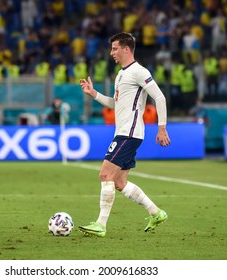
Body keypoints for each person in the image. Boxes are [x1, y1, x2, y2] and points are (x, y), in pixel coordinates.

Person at [78, 32, 171, 237]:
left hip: (129, 133)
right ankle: (156, 213)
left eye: (114, 48)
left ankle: (101, 225)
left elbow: (160, 97)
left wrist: (162, 127)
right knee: (119, 183)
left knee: (104, 174)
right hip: (124, 132)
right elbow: (115, 103)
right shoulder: (121, 74)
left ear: (126, 49)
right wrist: (94, 94)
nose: (112, 53)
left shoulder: (139, 71)